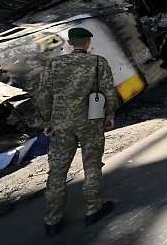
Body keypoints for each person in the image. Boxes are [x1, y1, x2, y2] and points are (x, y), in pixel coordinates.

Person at [35, 27, 118, 238]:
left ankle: (52, 221)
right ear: (88, 43)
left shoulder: (54, 65)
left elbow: (44, 96)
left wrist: (48, 121)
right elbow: (109, 92)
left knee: (57, 173)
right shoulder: (98, 63)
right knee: (92, 167)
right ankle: (93, 210)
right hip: (90, 124)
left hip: (61, 125)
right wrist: (109, 115)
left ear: (70, 43)